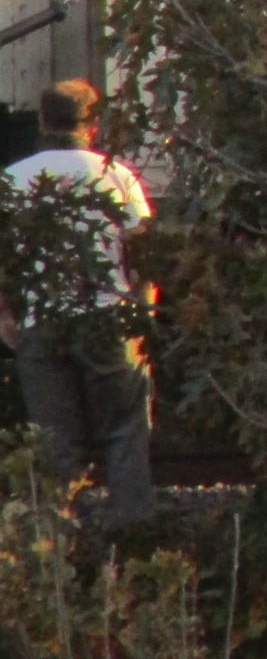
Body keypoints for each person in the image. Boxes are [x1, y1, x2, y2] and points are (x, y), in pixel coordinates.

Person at [1, 80, 155, 527]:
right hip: (111, 319)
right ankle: (133, 545)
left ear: (44, 121)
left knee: (56, 447)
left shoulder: (12, 180)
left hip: (41, 320)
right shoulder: (119, 176)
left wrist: (6, 313)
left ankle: (58, 555)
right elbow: (143, 255)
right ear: (92, 123)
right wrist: (140, 314)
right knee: (125, 434)